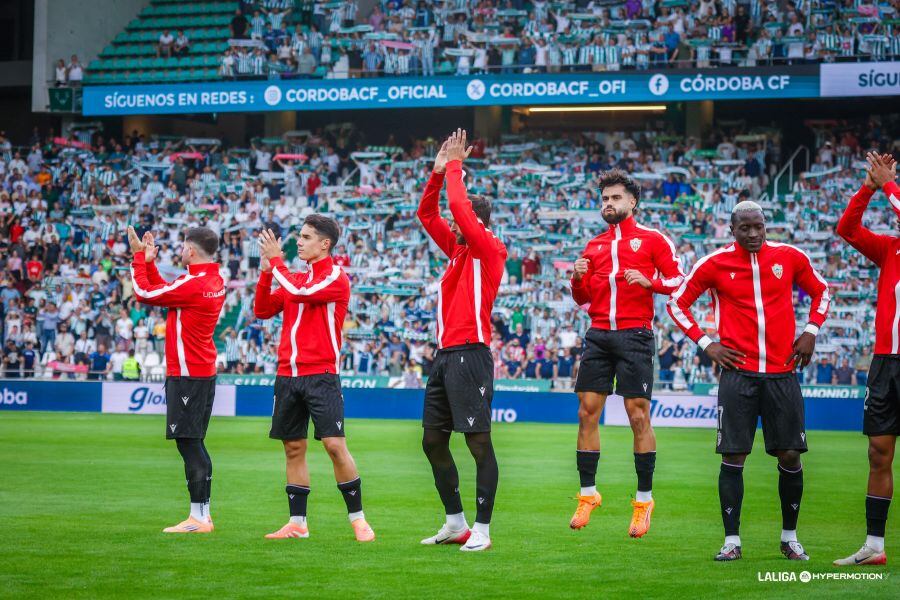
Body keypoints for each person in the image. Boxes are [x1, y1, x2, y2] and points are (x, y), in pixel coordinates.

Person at [667, 200, 830, 562]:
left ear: (765, 226)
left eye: (759, 226)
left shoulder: (790, 257)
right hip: (737, 374)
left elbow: (822, 291)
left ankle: (789, 538)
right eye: (745, 228)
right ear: (733, 230)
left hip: (782, 373)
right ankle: (732, 541)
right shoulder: (713, 264)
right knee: (733, 456)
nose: (754, 234)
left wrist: (811, 330)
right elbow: (676, 303)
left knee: (790, 454)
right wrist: (707, 343)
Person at [569, 168, 684, 537]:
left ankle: (644, 501)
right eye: (605, 198)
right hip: (599, 333)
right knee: (587, 412)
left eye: (616, 197)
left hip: (635, 334)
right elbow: (582, 298)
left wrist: (651, 282)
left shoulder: (653, 239)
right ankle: (588, 495)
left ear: (632, 202)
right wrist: (577, 277)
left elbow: (679, 281)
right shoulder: (594, 246)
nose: (609, 203)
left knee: (637, 415)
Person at [254, 216, 375, 543]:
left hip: (321, 375)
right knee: (293, 448)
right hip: (287, 375)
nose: (299, 242)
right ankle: (297, 523)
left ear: (325, 244)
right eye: (300, 236)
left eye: (306, 237)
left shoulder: (335, 277)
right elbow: (263, 310)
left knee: (335, 446)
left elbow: (299, 291)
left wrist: (276, 263)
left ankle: (359, 520)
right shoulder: (296, 279)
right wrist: (266, 272)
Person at [416, 129, 507, 552]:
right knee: (432, 440)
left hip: (471, 354)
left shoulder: (489, 248)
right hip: (446, 356)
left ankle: (483, 529)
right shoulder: (458, 252)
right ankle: (456, 523)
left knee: (478, 443)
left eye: (460, 221)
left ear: (476, 221)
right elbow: (426, 214)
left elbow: (455, 207)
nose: (452, 226)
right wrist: (437, 173)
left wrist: (455, 166)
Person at [128, 225, 225, 534]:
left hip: (187, 374)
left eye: (183, 247)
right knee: (194, 442)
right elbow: (165, 292)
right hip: (201, 372)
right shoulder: (212, 280)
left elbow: (144, 293)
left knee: (189, 444)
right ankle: (202, 515)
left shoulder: (193, 284)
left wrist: (138, 257)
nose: (181, 251)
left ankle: (199, 518)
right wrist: (150, 263)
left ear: (191, 251)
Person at [834, 152, 900, 566]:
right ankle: (874, 546)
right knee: (878, 451)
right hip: (885, 363)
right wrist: (868, 188)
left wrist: (889, 183)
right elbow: (846, 229)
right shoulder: (891, 249)